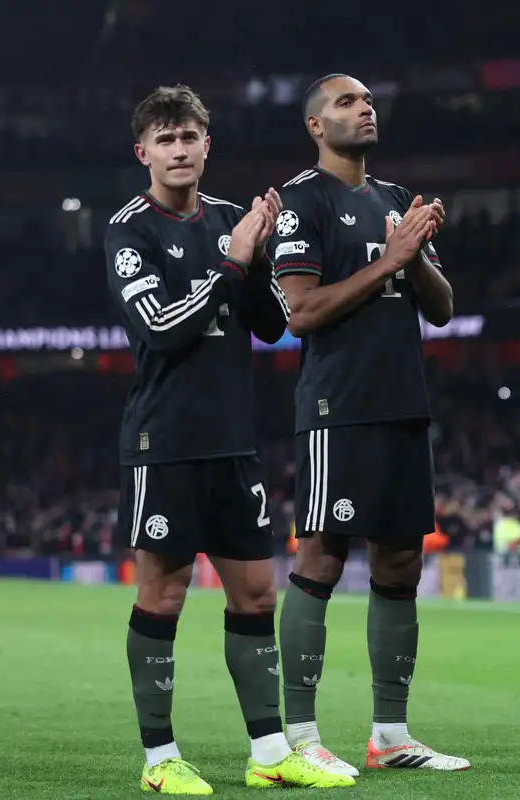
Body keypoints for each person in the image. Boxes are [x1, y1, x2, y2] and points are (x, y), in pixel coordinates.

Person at [108, 85, 353, 793]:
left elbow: (272, 325)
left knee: (255, 594)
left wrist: (261, 254)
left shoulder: (230, 221)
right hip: (164, 442)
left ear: (206, 145)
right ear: (143, 153)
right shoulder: (129, 230)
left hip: (232, 443)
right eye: (165, 139)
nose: (179, 149)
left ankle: (269, 753)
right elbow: (161, 327)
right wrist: (233, 261)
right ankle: (159, 760)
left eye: (189, 136)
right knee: (164, 593)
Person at [270, 73, 470, 774]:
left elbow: (441, 308)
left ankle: (391, 735)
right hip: (339, 407)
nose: (365, 109)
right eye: (347, 102)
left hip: (403, 404)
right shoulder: (302, 200)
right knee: (321, 557)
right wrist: (389, 259)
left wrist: (413, 256)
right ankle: (301, 737)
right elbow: (299, 311)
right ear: (316, 125)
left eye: (368, 100)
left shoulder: (394, 200)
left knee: (401, 563)